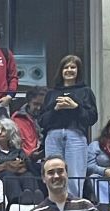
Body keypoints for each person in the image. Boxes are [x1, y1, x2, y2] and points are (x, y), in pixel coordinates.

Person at [39, 55, 97, 198]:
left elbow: (92, 118)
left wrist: (75, 107)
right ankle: (55, 204)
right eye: (66, 67)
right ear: (61, 71)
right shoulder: (51, 94)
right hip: (53, 136)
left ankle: (74, 206)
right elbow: (42, 121)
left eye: (73, 67)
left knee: (75, 174)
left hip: (75, 135)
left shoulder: (85, 92)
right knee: (52, 171)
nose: (69, 70)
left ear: (78, 71)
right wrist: (55, 109)